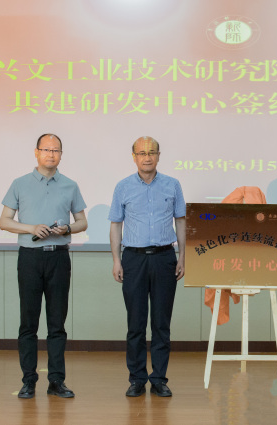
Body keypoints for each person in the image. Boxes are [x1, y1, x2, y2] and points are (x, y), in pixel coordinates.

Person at [0, 133, 87, 399]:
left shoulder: (70, 185)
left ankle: (56, 381)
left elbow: (82, 222)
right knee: (28, 323)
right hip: (30, 257)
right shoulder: (20, 184)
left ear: (61, 155)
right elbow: (4, 221)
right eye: (46, 149)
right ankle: (28, 381)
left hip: (59, 257)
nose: (51, 154)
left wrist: (67, 228)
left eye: (56, 150)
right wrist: (31, 228)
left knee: (57, 323)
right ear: (36, 152)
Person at [109, 136, 186, 398]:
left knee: (162, 324)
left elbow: (181, 221)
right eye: (141, 153)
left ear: (159, 155)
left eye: (152, 152)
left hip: (165, 258)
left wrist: (183, 257)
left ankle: (159, 379)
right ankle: (137, 379)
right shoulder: (123, 187)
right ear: (134, 157)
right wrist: (116, 260)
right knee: (136, 324)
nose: (147, 157)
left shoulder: (172, 185)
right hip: (134, 259)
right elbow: (116, 225)